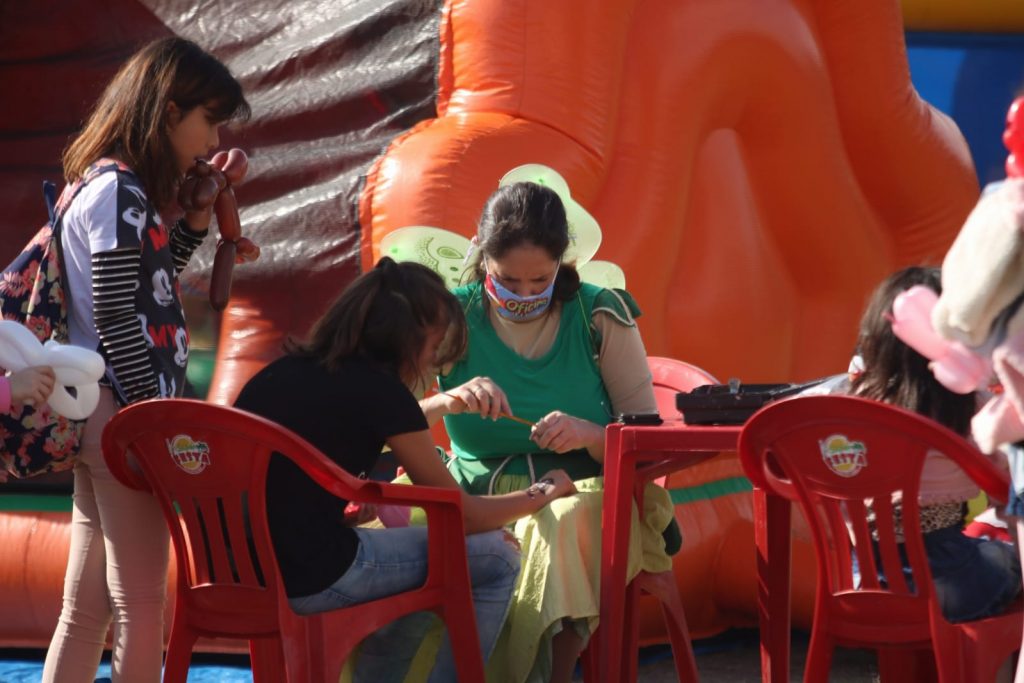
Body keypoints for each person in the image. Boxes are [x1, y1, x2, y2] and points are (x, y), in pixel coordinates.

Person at [233, 257, 577, 682]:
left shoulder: (280, 374)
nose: (432, 369)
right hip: (310, 575)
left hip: (234, 574)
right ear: (407, 341)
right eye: (434, 352)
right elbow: (464, 516)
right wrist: (543, 490)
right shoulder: (381, 392)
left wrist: (443, 404)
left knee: (425, 572)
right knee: (496, 555)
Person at [42, 37, 251, 682]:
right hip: (120, 417)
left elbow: (151, 288)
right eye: (208, 120)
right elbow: (113, 315)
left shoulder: (107, 186)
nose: (212, 139)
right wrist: (151, 418)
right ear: (169, 110)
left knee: (87, 608)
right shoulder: (117, 190)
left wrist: (193, 222)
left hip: (101, 412)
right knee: (140, 605)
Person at [416, 181, 674, 683]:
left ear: (562, 262)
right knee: (387, 534)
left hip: (583, 492)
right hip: (470, 494)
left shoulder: (598, 313)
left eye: (540, 281)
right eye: (508, 280)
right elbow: (386, 423)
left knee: (558, 524)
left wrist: (592, 434)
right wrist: (445, 401)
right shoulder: (449, 317)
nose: (524, 295)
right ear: (483, 258)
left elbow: (647, 440)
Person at [850, 266, 1021, 623]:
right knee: (1007, 557)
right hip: (947, 584)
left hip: (860, 586)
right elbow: (1007, 490)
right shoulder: (969, 407)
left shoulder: (849, 404)